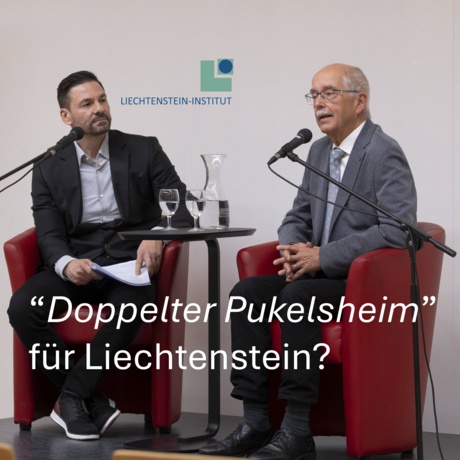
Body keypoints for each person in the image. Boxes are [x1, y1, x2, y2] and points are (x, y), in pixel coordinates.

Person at [199, 63, 417, 460]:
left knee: (297, 297)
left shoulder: (383, 151)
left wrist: (323, 256)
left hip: (361, 284)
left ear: (359, 101)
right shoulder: (317, 151)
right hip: (316, 275)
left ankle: (297, 431)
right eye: (314, 95)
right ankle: (255, 421)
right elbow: (297, 216)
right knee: (246, 293)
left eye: (329, 93)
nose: (318, 103)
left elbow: (398, 230)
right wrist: (291, 250)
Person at [7, 71, 193, 441]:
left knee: (134, 304)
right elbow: (48, 233)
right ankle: (88, 399)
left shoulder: (144, 149)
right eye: (87, 103)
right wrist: (66, 264)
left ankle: (73, 396)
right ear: (66, 116)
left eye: (102, 99)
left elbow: (183, 209)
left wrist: (155, 236)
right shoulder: (47, 166)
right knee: (22, 308)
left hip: (128, 264)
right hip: (78, 263)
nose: (99, 109)